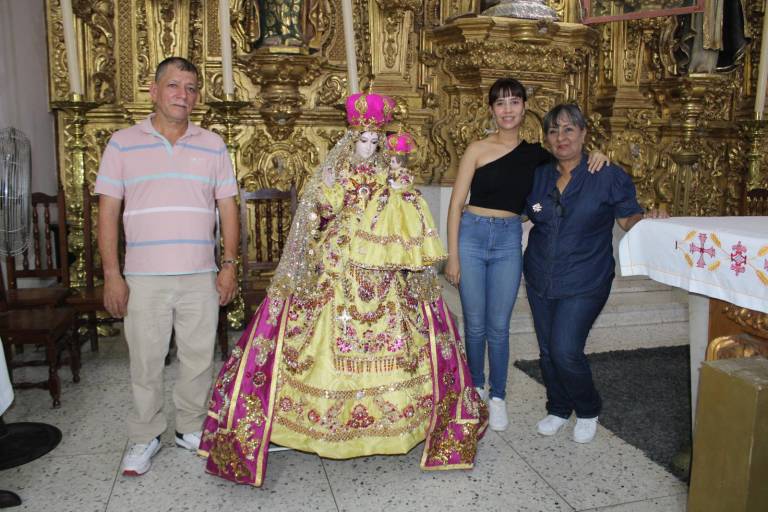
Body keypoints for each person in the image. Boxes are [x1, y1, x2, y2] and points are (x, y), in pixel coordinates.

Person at [199, 92, 487, 487]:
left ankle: (400, 420)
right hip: (335, 266)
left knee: (411, 334)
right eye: (362, 140)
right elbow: (311, 219)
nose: (369, 147)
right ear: (351, 139)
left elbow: (407, 223)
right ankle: (311, 423)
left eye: (375, 140)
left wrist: (400, 193)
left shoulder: (391, 173)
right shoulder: (332, 172)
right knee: (305, 336)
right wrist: (326, 224)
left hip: (385, 269)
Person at [96, 56, 239, 476]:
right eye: (174, 86)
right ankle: (145, 435)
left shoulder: (212, 144)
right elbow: (108, 213)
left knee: (198, 357)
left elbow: (228, 208)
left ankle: (189, 427)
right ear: (154, 91)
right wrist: (112, 275)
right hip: (144, 276)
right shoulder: (122, 143)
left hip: (199, 272)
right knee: (145, 360)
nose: (183, 95)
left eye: (191, 88)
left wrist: (228, 264)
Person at [445, 78, 608, 431]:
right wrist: (453, 255)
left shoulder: (536, 155)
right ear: (491, 109)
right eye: (500, 103)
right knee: (475, 323)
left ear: (524, 108)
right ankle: (475, 389)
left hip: (507, 240)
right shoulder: (477, 149)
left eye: (514, 102)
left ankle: (498, 396)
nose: (507, 110)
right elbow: (456, 204)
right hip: (472, 236)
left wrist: (598, 153)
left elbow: (570, 157)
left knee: (498, 326)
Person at [524, 103, 662, 443]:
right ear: (546, 138)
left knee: (565, 350)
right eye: (553, 131)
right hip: (540, 276)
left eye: (569, 129)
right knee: (547, 352)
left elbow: (628, 217)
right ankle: (558, 407)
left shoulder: (606, 174)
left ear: (584, 133)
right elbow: (527, 211)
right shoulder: (540, 174)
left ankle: (587, 409)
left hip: (586, 278)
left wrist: (649, 220)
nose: (561, 137)